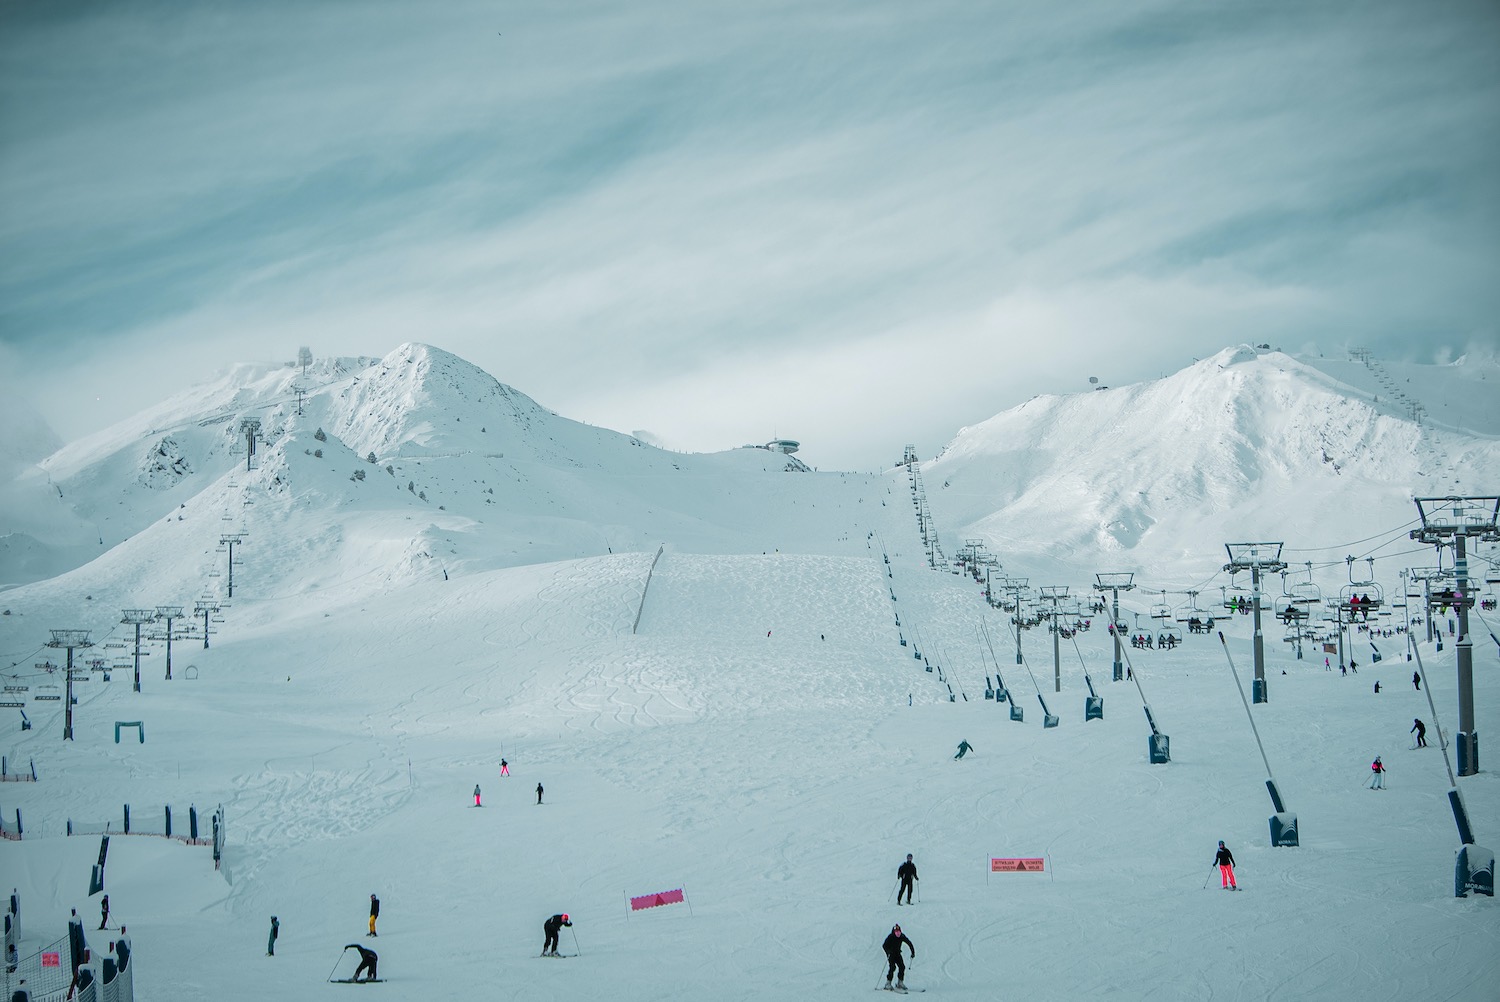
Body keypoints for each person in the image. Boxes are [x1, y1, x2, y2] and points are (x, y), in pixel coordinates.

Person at [882, 923, 915, 990]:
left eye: (899, 931)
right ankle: (888, 983)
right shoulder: (890, 937)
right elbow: (884, 946)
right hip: (891, 954)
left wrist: (912, 952)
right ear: (894, 932)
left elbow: (909, 943)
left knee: (902, 967)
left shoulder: (902, 936)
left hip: (897, 954)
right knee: (892, 967)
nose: (898, 933)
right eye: (896, 932)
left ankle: (900, 983)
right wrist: (888, 952)